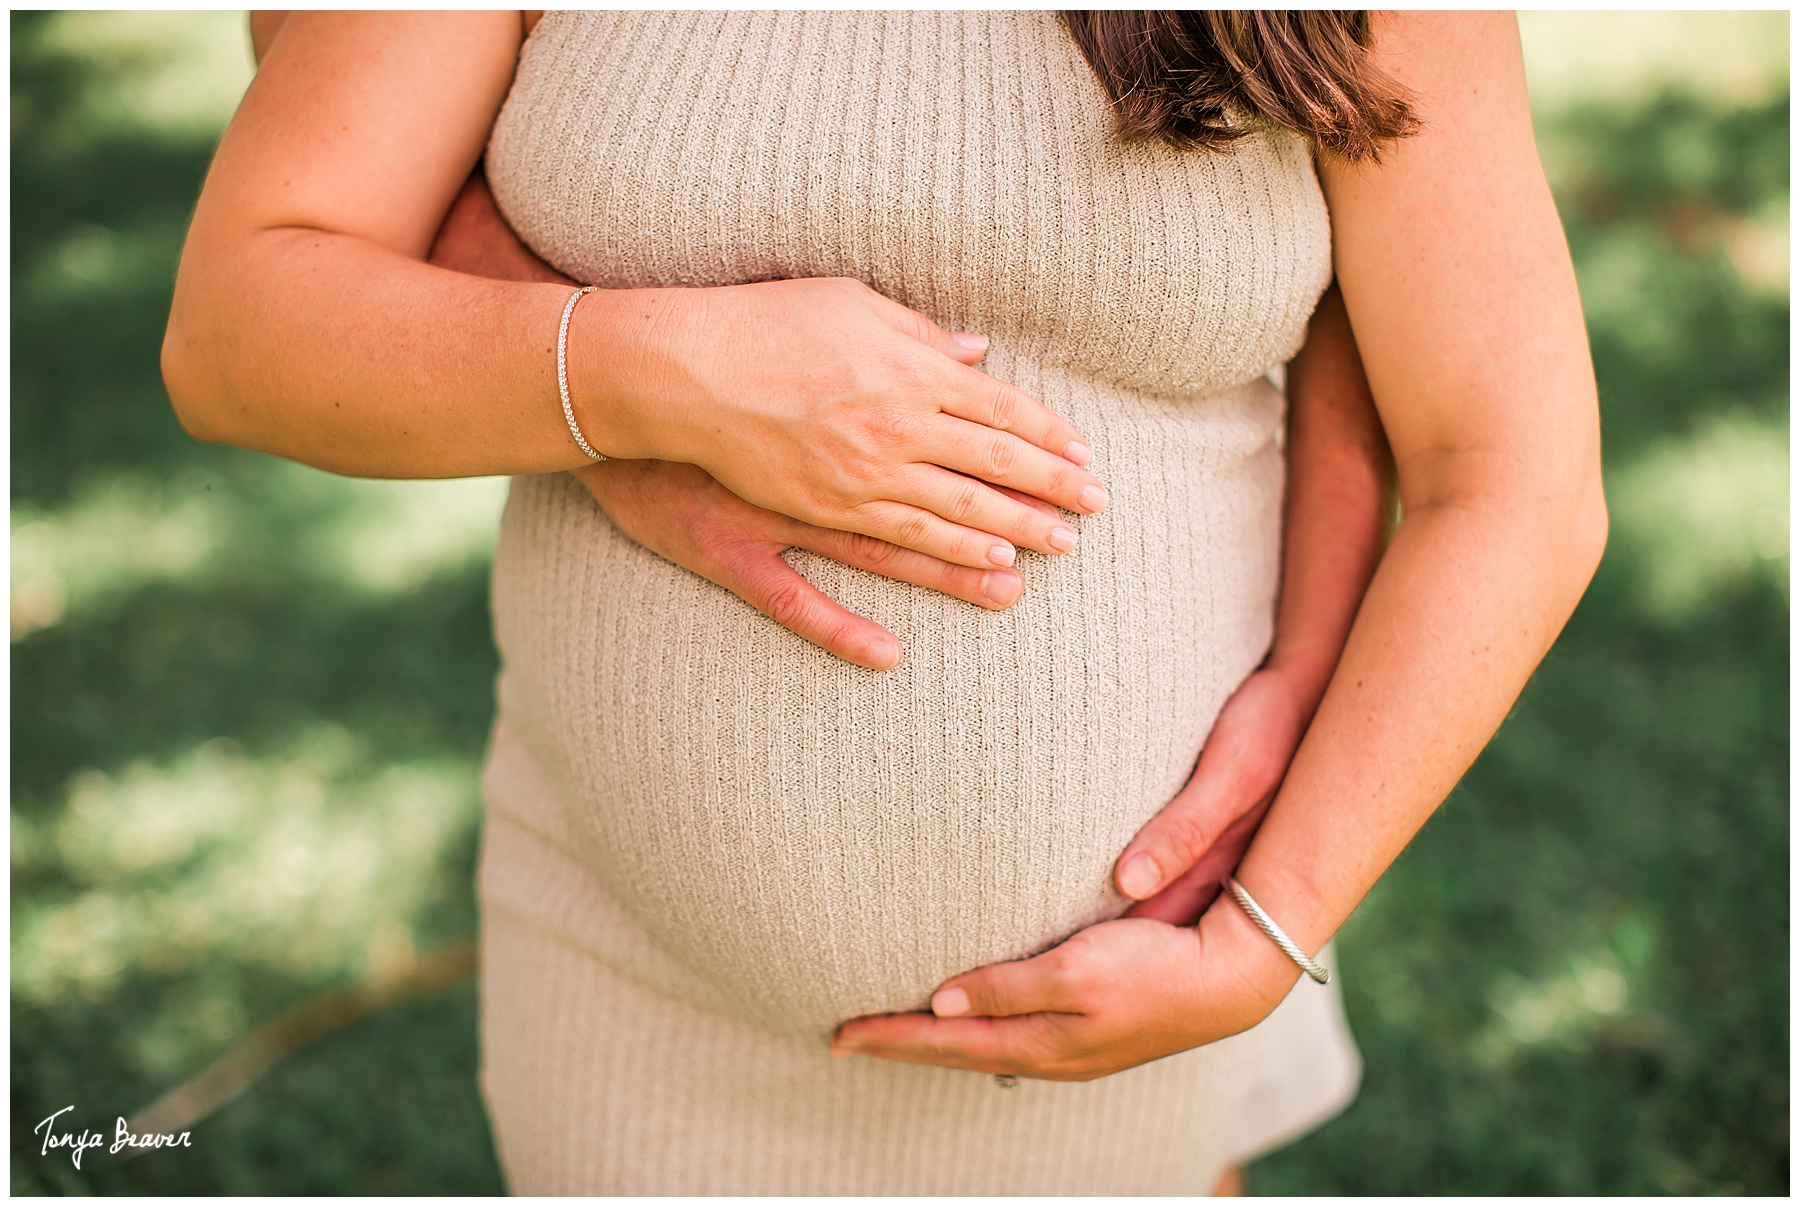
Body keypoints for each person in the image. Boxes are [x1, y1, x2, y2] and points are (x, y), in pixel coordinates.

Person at [165, 11, 1604, 1195]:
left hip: (1134, 1024)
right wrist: (648, 377)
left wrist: (1266, 935)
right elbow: (239, 324)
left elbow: (1510, 474)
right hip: (635, 1009)